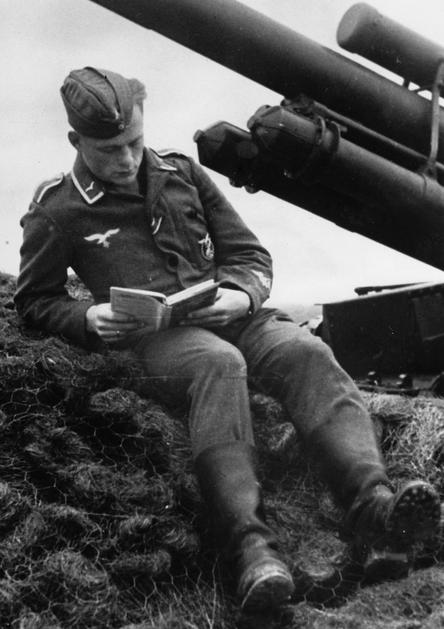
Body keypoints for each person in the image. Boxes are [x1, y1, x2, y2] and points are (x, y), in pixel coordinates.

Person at [15, 67, 441, 612]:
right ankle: (251, 550)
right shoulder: (57, 208)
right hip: (160, 341)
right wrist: (87, 317)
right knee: (219, 364)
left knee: (307, 351)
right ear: (76, 141)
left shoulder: (180, 172)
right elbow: (35, 300)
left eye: (135, 142)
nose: (127, 160)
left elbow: (249, 254)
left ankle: (373, 508)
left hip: (231, 315)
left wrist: (241, 295)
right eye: (110, 150)